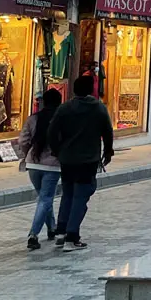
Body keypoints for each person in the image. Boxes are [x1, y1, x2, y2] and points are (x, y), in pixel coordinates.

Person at [47, 74, 114, 253]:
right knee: (81, 196)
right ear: (91, 89)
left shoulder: (64, 108)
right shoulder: (98, 109)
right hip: (88, 160)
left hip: (67, 159)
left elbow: (52, 131)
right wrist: (108, 151)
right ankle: (72, 236)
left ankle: (61, 231)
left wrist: (57, 150)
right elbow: (108, 131)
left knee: (67, 193)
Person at [17, 87, 62, 251]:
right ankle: (33, 234)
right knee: (45, 199)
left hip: (33, 163)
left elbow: (23, 141)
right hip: (52, 164)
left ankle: (52, 227)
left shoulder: (33, 119)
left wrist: (29, 152)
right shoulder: (61, 120)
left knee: (44, 198)